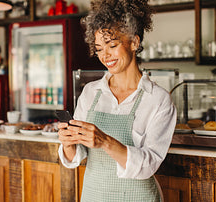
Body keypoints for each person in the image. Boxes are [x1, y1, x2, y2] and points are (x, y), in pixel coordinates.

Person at [57, 0, 177, 201]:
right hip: (94, 195)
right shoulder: (90, 93)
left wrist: (105, 141)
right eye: (99, 49)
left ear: (134, 43)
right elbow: (75, 158)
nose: (106, 56)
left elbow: (149, 164)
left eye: (112, 45)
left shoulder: (158, 100)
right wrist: (68, 144)